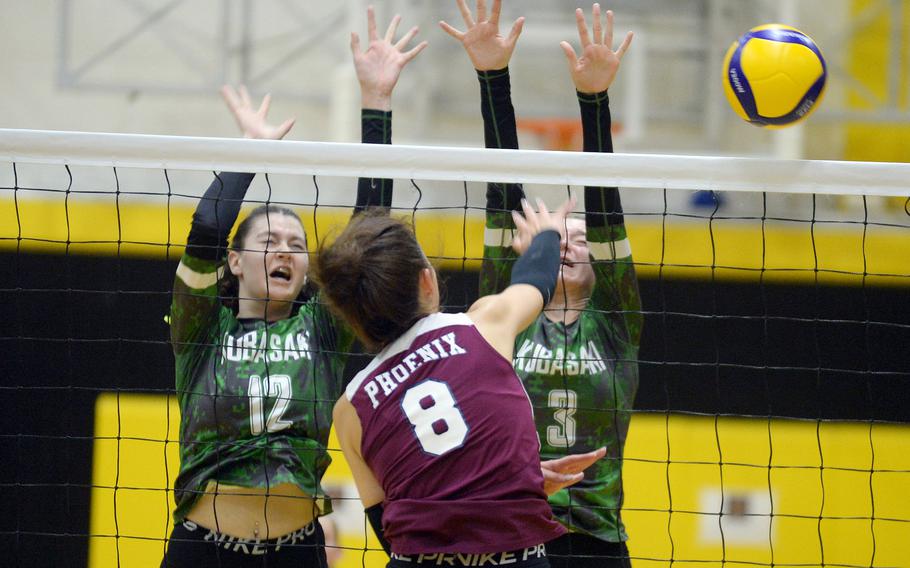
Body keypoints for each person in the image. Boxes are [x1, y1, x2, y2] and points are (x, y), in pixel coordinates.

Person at [162, 9, 427, 567]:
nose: (284, 249)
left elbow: (370, 227)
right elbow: (207, 229)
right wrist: (250, 153)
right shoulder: (202, 328)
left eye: (295, 243)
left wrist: (376, 102)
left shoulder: (322, 328)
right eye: (268, 240)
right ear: (234, 262)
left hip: (296, 550)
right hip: (204, 550)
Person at [441, 2, 642, 567]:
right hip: (507, 535)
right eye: (561, 239)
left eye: (583, 240)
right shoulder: (503, 315)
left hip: (597, 543)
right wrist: (491, 76)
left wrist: (595, 100)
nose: (573, 245)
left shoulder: (615, 327)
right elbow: (503, 197)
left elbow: (609, 218)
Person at [317, 193, 592, 567]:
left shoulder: (350, 410)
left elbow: (388, 528)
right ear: (426, 281)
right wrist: (544, 235)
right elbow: (537, 280)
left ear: (352, 318)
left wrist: (485, 487)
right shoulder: (481, 325)